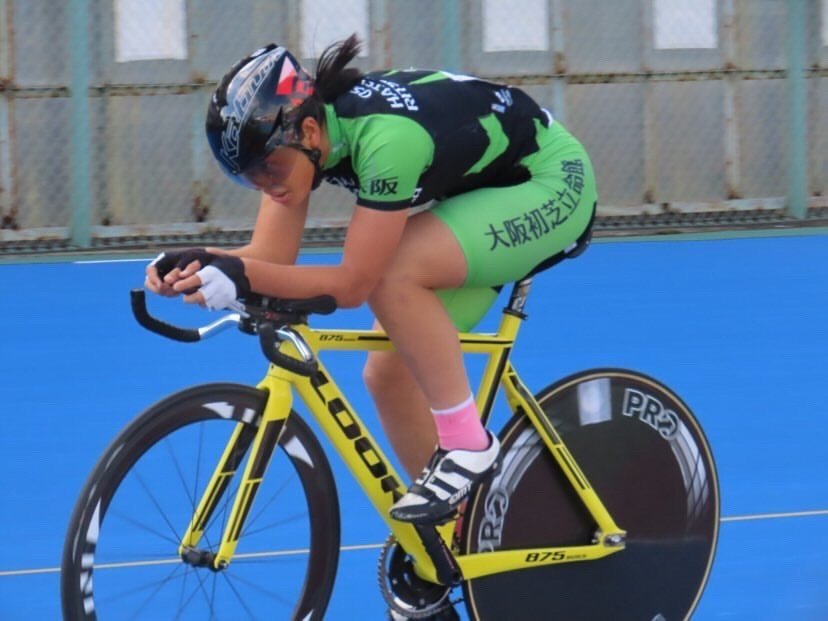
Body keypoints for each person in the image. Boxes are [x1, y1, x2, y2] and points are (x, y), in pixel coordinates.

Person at [145, 36, 596, 528]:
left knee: (395, 274)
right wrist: (200, 262)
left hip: (550, 183)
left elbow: (355, 284)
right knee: (388, 373)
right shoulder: (296, 144)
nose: (265, 185)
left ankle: (468, 442)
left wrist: (240, 274)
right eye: (248, 177)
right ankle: (454, 540)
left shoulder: (386, 139)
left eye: (269, 168)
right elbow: (269, 259)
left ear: (310, 130)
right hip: (484, 192)